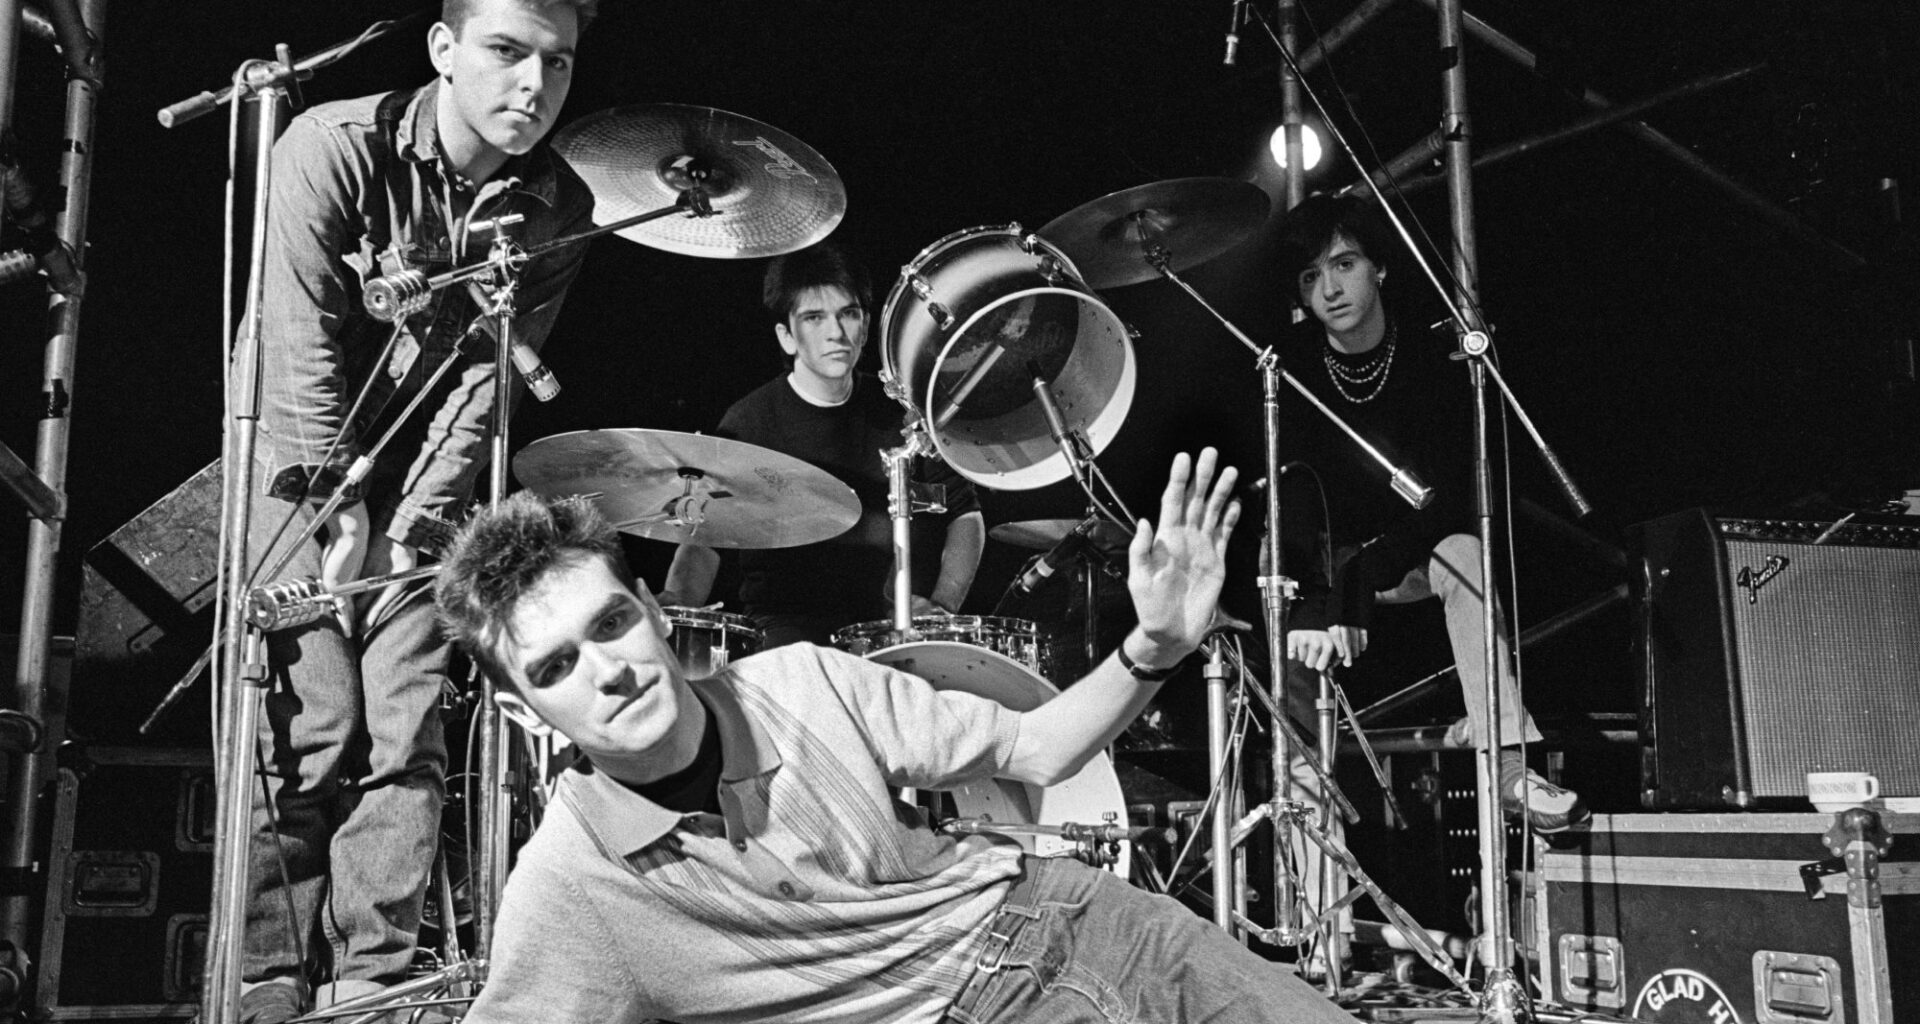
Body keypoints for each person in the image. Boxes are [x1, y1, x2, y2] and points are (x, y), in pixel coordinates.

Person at [433, 449, 1355, 1024]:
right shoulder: (572, 883)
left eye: (610, 625)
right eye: (555, 667)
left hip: (1062, 919)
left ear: (655, 610)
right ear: (521, 711)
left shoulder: (803, 681)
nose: (607, 670)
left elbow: (1037, 750)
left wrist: (1152, 648)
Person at [236, 0, 596, 1019]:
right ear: (443, 49)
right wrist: (336, 508)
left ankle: (372, 979)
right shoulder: (330, 147)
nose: (534, 84)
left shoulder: (561, 203)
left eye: (559, 62)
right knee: (310, 724)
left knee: (404, 728)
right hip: (297, 461)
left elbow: (489, 377)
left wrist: (414, 521)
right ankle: (264, 972)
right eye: (507, 51)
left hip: (422, 477)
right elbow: (297, 341)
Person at [1272, 194, 1587, 835]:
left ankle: (1508, 765)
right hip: (1329, 558)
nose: (1329, 289)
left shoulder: (1432, 355)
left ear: (1380, 267)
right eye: (1311, 277)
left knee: (1466, 552)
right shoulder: (1293, 368)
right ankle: (1306, 803)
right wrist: (1315, 596)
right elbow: (1294, 496)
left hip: (1410, 552)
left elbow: (1450, 504)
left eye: (1344, 264)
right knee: (1273, 574)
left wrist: (1362, 576)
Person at [657, 242, 984, 648]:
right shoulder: (747, 424)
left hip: (879, 626)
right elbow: (704, 540)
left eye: (848, 314)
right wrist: (676, 599)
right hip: (782, 628)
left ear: (866, 325)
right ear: (787, 337)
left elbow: (965, 516)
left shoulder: (902, 413)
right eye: (814, 318)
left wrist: (943, 606)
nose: (836, 333)